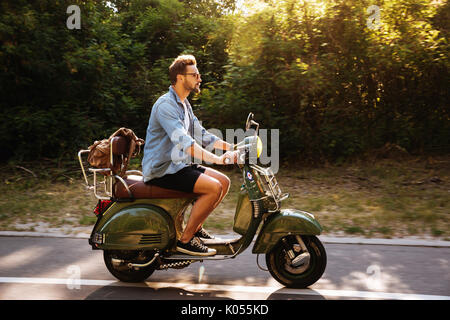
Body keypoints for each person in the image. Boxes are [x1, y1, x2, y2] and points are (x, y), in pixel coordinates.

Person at [142, 55, 237, 256]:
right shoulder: (166, 105)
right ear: (179, 78)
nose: (199, 78)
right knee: (214, 188)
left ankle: (194, 229)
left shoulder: (184, 104)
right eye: (194, 75)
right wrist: (218, 159)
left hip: (179, 165)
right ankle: (185, 241)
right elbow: (186, 144)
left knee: (224, 182)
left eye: (198, 74)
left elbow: (202, 135)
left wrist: (231, 147)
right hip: (163, 169)